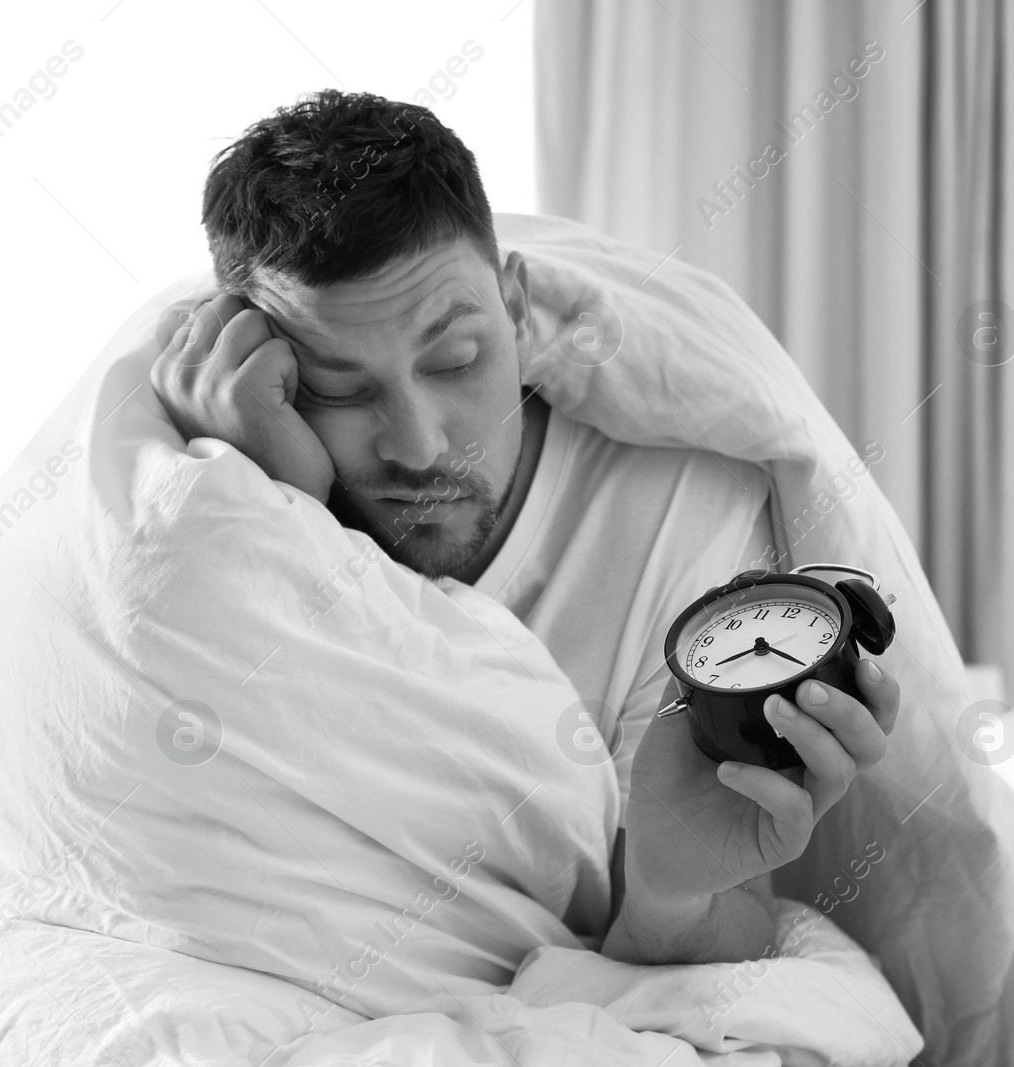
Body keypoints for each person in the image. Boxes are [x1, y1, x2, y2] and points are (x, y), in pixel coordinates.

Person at [149, 89, 901, 966]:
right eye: (340, 390)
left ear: (514, 306)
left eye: (457, 359)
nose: (421, 444)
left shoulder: (677, 511)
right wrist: (280, 512)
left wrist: (666, 890)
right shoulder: (237, 481)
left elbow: (704, 931)